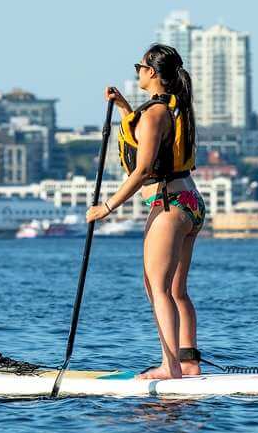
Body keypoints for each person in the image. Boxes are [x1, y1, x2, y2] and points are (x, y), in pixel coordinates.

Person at [86, 44, 206, 380]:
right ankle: (189, 361)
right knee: (177, 289)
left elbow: (140, 172)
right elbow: (147, 138)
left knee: (157, 288)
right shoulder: (171, 108)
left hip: (169, 207)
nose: (137, 71)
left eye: (140, 66)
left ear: (152, 72)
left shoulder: (155, 114)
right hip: (190, 202)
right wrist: (125, 107)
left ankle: (170, 368)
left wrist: (106, 207)